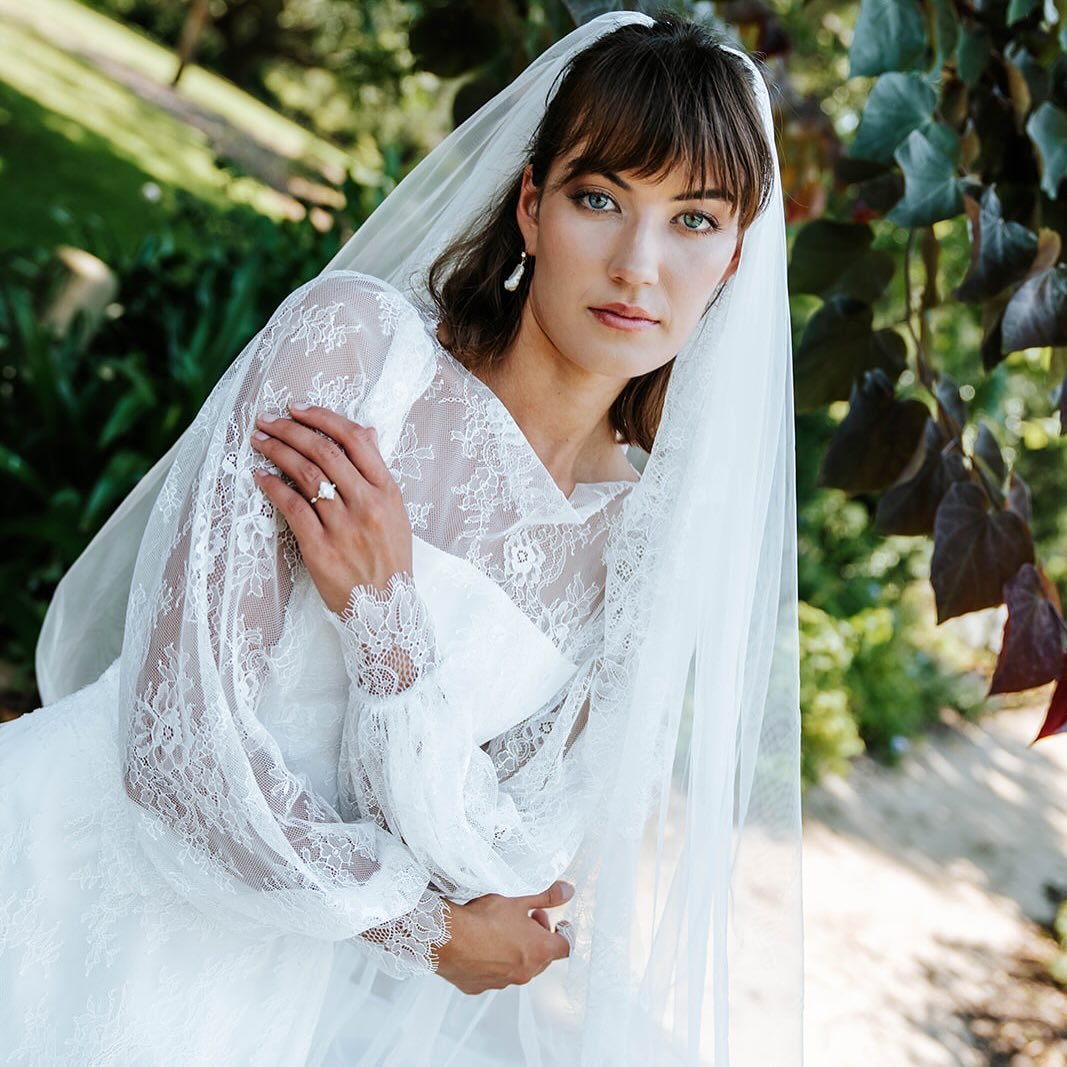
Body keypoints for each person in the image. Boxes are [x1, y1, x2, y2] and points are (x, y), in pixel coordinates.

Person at [1, 9, 802, 1066]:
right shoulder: (358, 354)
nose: (637, 263)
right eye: (600, 199)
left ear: (734, 257)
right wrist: (420, 927)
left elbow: (506, 855)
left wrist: (387, 629)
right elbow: (175, 742)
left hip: (249, 998)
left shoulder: (632, 549)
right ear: (530, 206)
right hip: (56, 877)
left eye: (692, 220)